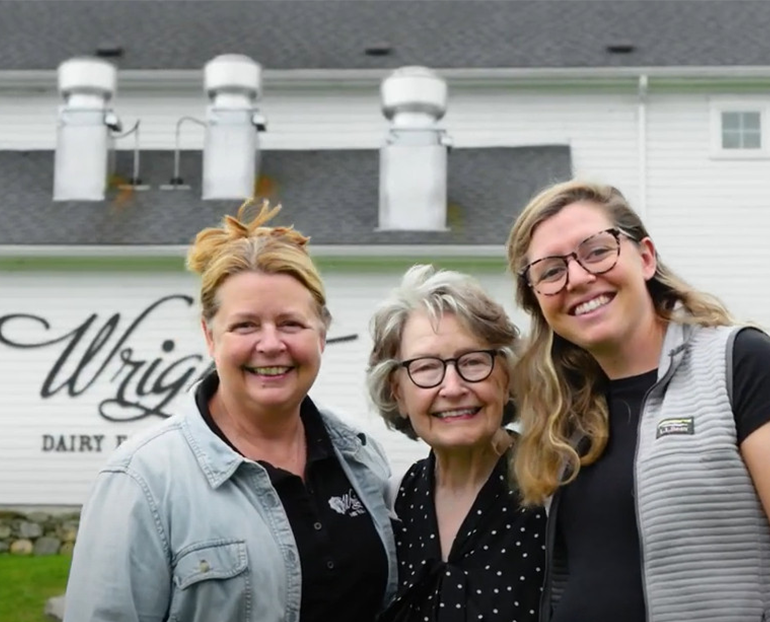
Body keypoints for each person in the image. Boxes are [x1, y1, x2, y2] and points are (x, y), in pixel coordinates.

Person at [64, 200, 398, 622]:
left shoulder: (359, 453)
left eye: (291, 323)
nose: (271, 344)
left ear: (322, 333)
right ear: (210, 336)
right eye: (245, 325)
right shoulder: (142, 480)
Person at [506, 179, 770, 622]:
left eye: (596, 251)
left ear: (645, 258)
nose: (578, 278)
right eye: (550, 272)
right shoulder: (560, 416)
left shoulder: (739, 364)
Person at [366, 264, 545, 622]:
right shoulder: (391, 505)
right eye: (426, 367)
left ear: (507, 377)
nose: (452, 387)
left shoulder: (557, 489)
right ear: (397, 393)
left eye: (473, 361)